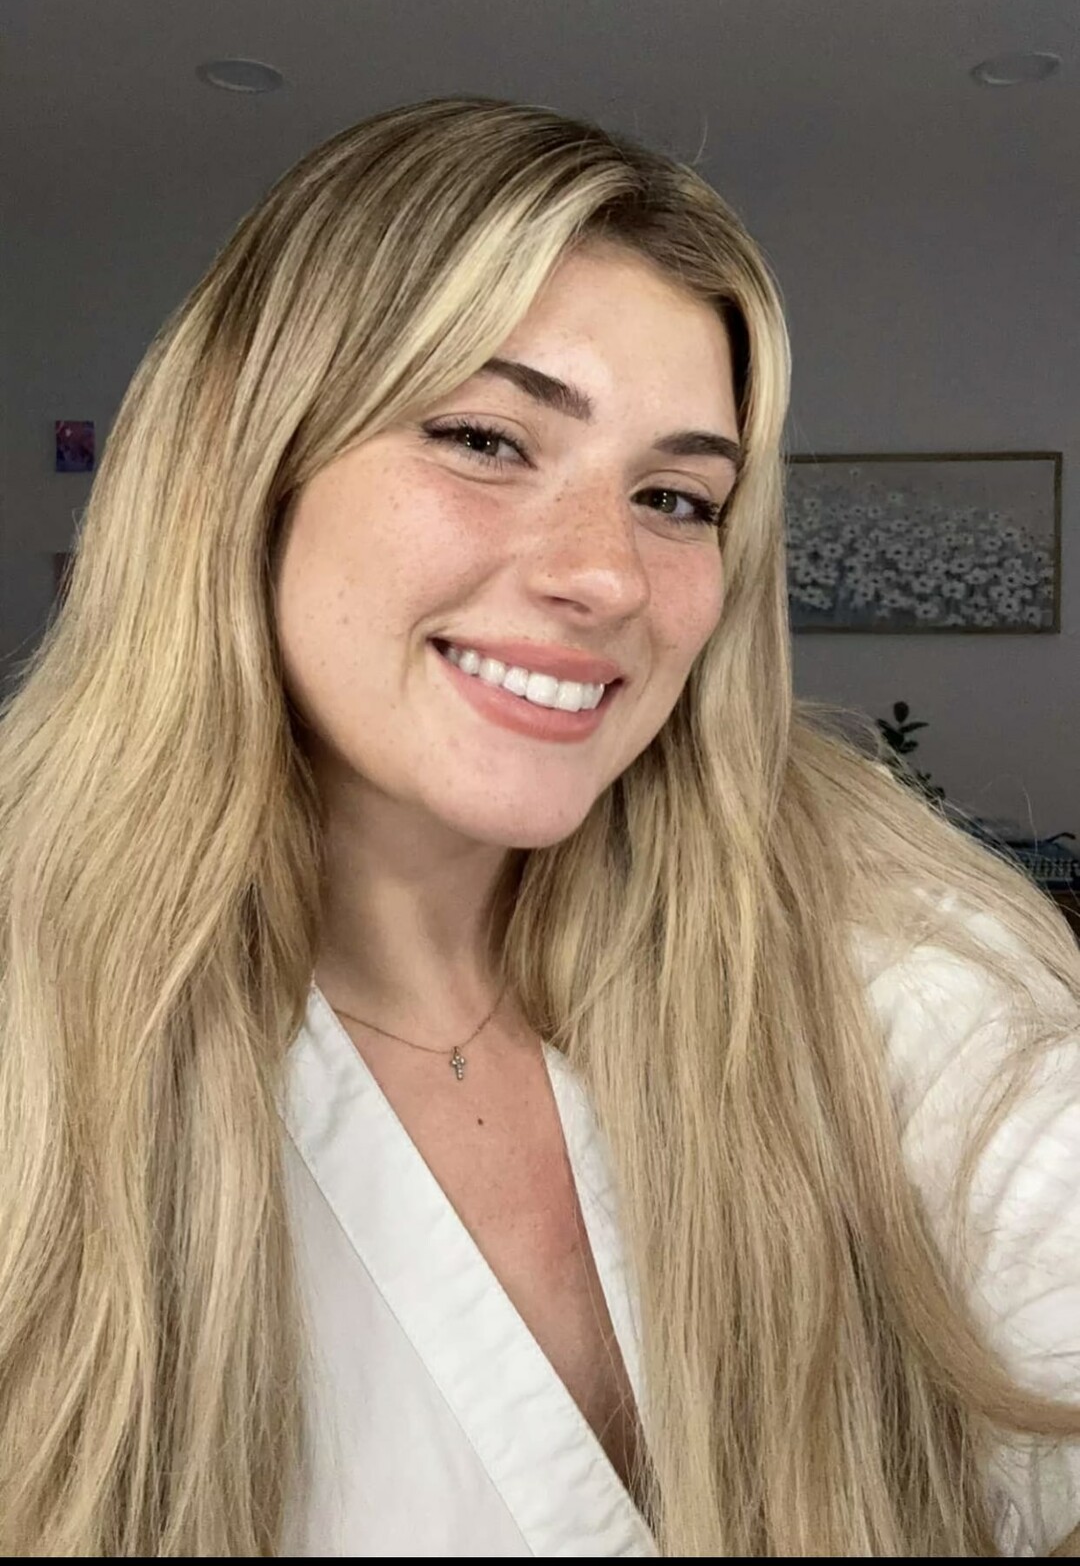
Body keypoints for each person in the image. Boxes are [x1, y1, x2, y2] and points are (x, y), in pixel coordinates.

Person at [0, 95, 1078, 1558]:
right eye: (486, 439)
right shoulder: (38, 1013)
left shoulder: (865, 938)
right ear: (245, 466)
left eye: (675, 497)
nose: (609, 576)